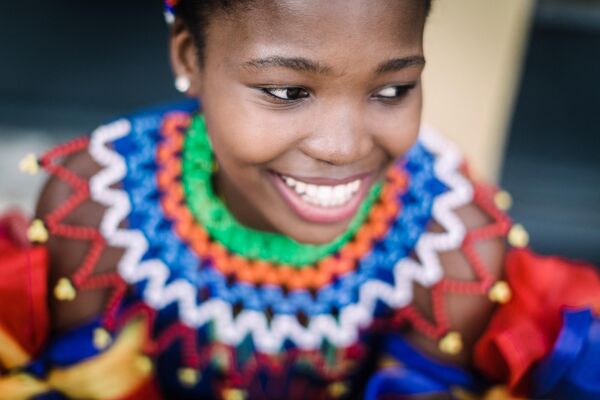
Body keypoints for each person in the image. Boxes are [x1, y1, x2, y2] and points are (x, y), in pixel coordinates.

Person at [0, 0, 598, 399]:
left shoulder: (448, 247)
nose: (343, 147)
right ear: (189, 56)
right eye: (287, 91)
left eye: (392, 89)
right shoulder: (100, 210)